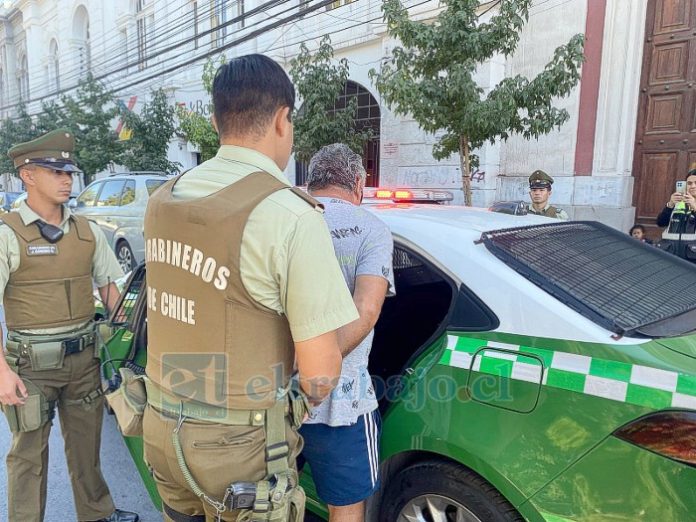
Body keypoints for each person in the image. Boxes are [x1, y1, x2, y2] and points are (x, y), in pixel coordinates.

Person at [141, 55, 359, 522]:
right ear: (283, 120)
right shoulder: (290, 214)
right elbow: (320, 371)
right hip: (238, 453)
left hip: (160, 429)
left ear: (218, 120)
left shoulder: (163, 200)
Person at [0, 129, 138, 522]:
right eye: (55, 171)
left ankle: (96, 513)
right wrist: (2, 372)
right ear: (27, 175)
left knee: (86, 447)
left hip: (84, 361)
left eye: (69, 173)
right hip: (31, 367)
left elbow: (111, 294)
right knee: (27, 456)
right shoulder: (7, 235)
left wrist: (128, 341)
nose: (67, 180)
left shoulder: (86, 232)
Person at [301, 144, 394, 522]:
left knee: (270, 500)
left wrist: (295, 372)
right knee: (347, 509)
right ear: (358, 183)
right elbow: (367, 309)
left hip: (276, 394)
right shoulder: (371, 228)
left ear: (311, 183)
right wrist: (317, 371)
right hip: (343, 405)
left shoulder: (285, 222)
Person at [656, 165, 696, 262]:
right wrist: (670, 205)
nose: (693, 186)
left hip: (692, 257)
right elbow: (661, 223)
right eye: (689, 183)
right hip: (670, 254)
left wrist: (694, 206)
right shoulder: (677, 202)